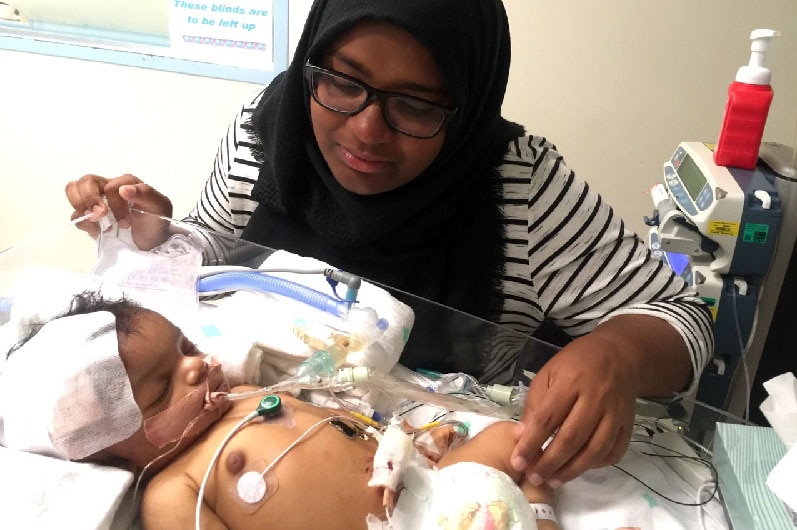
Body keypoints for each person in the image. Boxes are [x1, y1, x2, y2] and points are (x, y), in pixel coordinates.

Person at [63, 0, 714, 490]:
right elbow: (213, 278)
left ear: (468, 104)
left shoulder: (521, 187)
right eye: (344, 83)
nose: (367, 130)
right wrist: (160, 237)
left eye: (416, 105)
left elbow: (683, 319)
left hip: (438, 468)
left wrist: (617, 354)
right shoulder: (263, 136)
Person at [0, 291, 560, 530]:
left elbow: (350, 417)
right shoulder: (173, 491)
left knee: (518, 438)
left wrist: (415, 444)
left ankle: (533, 494)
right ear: (110, 451)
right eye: (159, 391)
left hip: (430, 483)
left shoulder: (240, 398)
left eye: (186, 349)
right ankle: (533, 506)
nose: (195, 368)